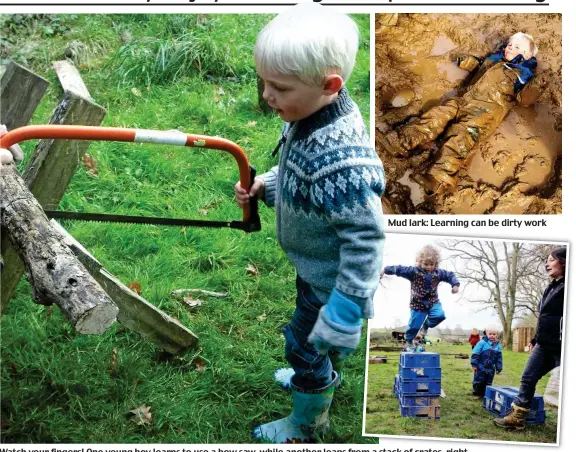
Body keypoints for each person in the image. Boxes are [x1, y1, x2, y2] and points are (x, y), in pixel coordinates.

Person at [234, 3, 385, 443]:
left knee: (301, 343)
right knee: (310, 339)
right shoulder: (311, 115)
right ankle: (317, 366)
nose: (266, 95)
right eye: (264, 81)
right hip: (314, 269)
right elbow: (302, 175)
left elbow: (367, 236)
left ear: (329, 85)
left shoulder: (343, 164)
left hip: (332, 284)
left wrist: (345, 305)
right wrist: (267, 186)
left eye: (279, 87)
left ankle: (306, 419)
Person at [380, 32, 546, 195]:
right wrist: (466, 62)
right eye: (509, 44)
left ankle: (437, 179)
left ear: (525, 56)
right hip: (464, 100)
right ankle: (400, 142)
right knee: (436, 115)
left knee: (461, 139)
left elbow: (524, 99)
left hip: (484, 114)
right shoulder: (494, 59)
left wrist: (537, 86)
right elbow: (478, 66)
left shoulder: (522, 75)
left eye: (516, 47)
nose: (509, 48)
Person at [494, 246, 566, 430]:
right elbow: (545, 318)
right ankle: (517, 418)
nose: (546, 263)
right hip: (544, 344)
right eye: (546, 260)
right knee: (528, 377)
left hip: (563, 346)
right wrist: (535, 339)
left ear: (565, 261)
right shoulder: (551, 286)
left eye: (551, 259)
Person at [382, 245, 460, 351]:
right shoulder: (413, 271)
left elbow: (449, 275)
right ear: (420, 262)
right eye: (426, 264)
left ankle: (426, 325)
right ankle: (409, 341)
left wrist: (455, 285)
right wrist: (385, 270)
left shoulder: (438, 273)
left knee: (440, 315)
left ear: (436, 264)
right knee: (414, 326)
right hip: (418, 305)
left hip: (433, 302)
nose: (429, 267)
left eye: (431, 264)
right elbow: (399, 269)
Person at [470, 325, 503, 399]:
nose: (492, 336)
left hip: (491, 367)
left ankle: (485, 393)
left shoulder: (498, 346)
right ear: (486, 334)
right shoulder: (481, 343)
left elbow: (499, 358)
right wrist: (474, 364)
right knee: (479, 380)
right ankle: (477, 393)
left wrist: (499, 367)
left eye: (494, 334)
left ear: (497, 335)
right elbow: (475, 353)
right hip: (480, 366)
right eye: (490, 334)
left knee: (488, 381)